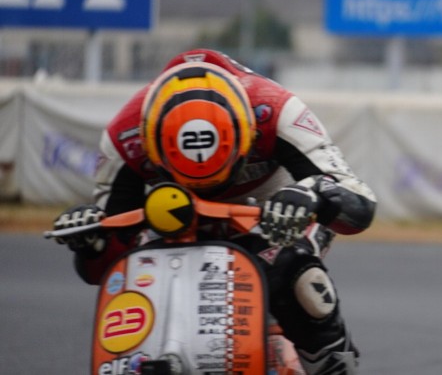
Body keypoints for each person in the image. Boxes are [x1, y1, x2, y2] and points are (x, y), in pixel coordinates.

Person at [51, 48, 377, 374]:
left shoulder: (276, 110)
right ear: (152, 146)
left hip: (277, 214)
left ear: (247, 135)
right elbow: (104, 267)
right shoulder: (124, 136)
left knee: (298, 275)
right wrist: (91, 244)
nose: (209, 190)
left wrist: (315, 194)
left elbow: (360, 204)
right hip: (178, 222)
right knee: (138, 272)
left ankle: (331, 364)